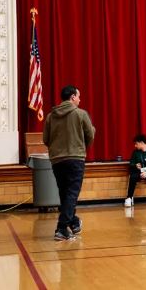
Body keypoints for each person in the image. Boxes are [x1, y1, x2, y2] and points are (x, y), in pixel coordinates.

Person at [43, 85, 95, 241]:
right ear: (73, 97)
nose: (80, 99)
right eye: (79, 96)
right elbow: (90, 136)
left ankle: (73, 222)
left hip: (57, 160)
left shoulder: (50, 116)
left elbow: (45, 139)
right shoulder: (81, 114)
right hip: (75, 158)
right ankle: (61, 228)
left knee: (65, 194)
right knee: (72, 194)